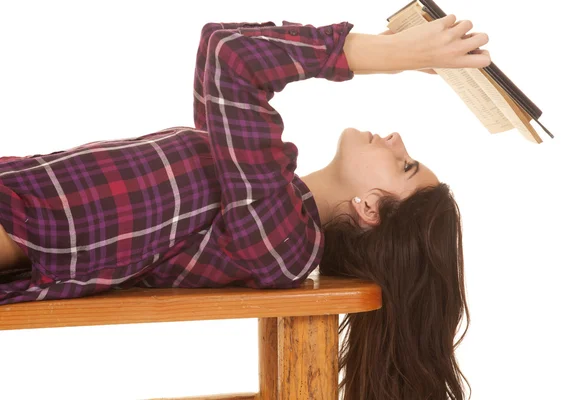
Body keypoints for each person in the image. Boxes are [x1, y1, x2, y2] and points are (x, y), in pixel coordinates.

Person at [0, 15, 490, 399]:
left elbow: (231, 59)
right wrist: (382, 49)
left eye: (403, 165)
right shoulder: (260, 183)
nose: (396, 139)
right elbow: (223, 40)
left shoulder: (283, 244)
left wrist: (385, 56)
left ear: (369, 210)